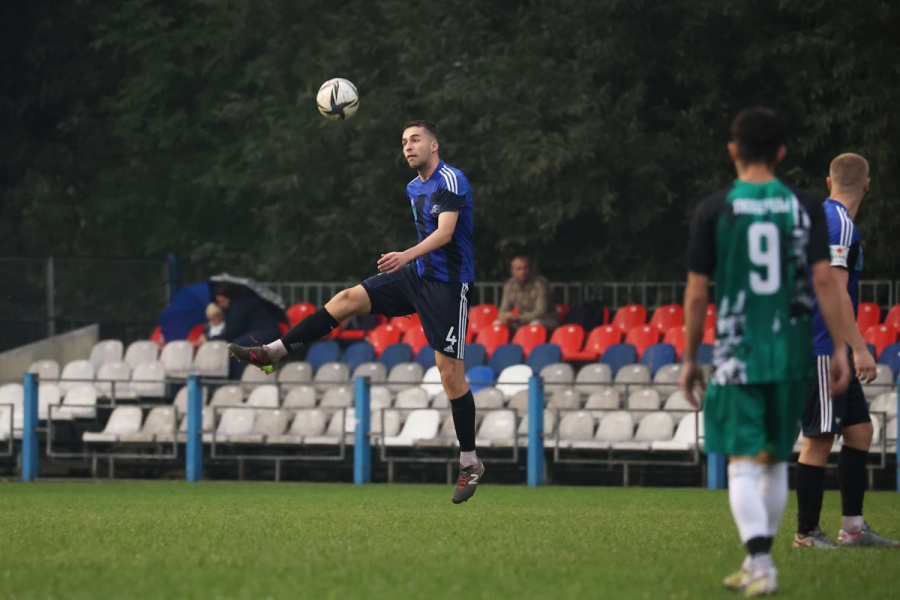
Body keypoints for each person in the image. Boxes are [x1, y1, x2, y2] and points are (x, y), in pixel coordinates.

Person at [227, 120, 484, 504]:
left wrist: (404, 256)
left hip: (448, 288)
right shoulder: (413, 187)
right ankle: (272, 353)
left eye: (415, 139)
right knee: (347, 299)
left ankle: (469, 462)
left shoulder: (451, 179)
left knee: (450, 376)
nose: (408, 146)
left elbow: (446, 233)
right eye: (403, 141)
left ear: (434, 145)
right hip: (416, 276)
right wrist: (410, 262)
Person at [680, 107, 853, 597]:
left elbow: (697, 293)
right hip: (792, 352)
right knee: (775, 461)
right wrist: (839, 347)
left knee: (741, 461)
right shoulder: (806, 206)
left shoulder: (715, 209)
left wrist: (690, 357)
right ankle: (758, 561)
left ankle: (760, 561)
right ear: (781, 152)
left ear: (732, 150)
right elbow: (825, 281)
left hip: (738, 353)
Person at [793, 153, 899, 549]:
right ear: (867, 185)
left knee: (859, 431)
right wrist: (860, 348)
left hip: (825, 345)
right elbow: (836, 291)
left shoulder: (820, 218)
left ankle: (853, 529)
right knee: (819, 439)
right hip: (822, 347)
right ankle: (806, 534)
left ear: (829, 181)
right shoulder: (838, 222)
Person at [215, 284, 283, 379]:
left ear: (228, 297)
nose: (220, 305)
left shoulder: (238, 306)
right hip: (262, 332)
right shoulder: (242, 302)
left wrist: (212, 339)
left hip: (264, 333)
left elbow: (233, 331)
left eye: (221, 301)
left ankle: (237, 379)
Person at [496, 256, 558, 332]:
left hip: (545, 319)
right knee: (497, 324)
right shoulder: (509, 285)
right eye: (519, 269)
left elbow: (540, 311)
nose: (523, 272)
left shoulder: (540, 284)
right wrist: (504, 317)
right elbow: (503, 308)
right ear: (512, 271)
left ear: (530, 269)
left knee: (535, 324)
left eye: (525, 268)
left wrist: (518, 318)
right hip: (521, 319)